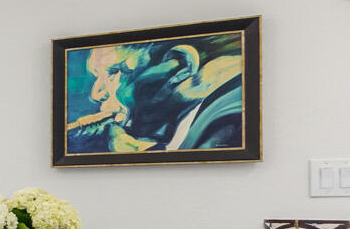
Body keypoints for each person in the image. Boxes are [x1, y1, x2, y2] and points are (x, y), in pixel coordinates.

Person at [67, 40, 245, 154]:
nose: (96, 94)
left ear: (179, 65)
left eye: (114, 72)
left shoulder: (228, 119)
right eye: (97, 76)